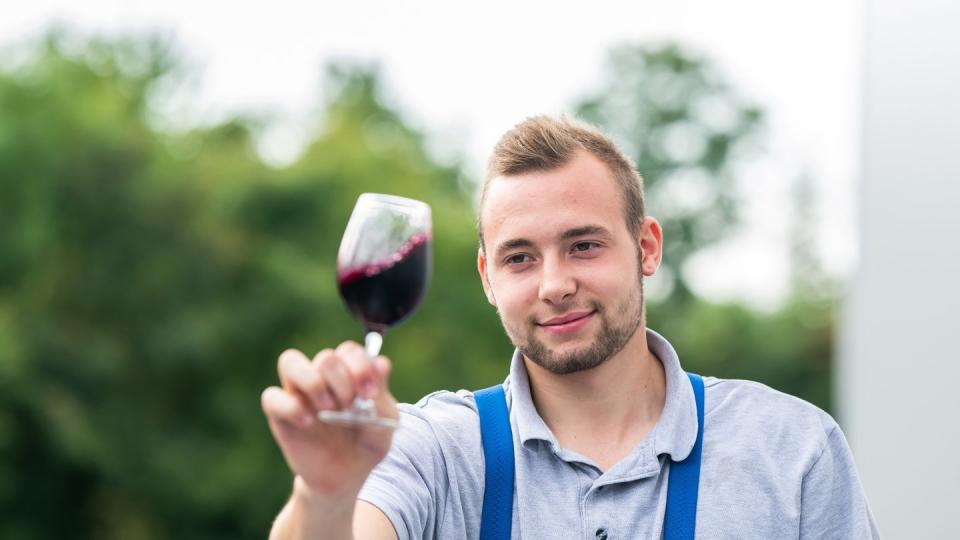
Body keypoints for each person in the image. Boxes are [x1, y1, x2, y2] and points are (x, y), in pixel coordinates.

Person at [262, 116, 880, 539]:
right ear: (486, 277)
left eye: (583, 246)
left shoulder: (792, 449)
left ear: (647, 247)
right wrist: (324, 494)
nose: (553, 284)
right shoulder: (430, 449)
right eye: (520, 257)